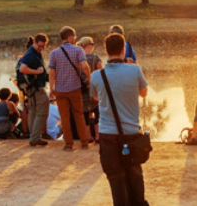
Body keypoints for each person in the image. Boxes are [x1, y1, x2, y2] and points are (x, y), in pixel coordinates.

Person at [90, 32, 149, 206]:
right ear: (124, 49)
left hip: (108, 134)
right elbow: (143, 92)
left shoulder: (96, 75)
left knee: (116, 177)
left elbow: (94, 98)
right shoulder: (134, 69)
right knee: (134, 173)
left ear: (106, 51)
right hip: (131, 132)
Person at [49, 26, 91, 151]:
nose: (75, 38)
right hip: (75, 88)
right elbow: (85, 66)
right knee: (79, 115)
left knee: (65, 117)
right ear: (70, 37)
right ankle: (84, 142)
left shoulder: (54, 53)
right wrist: (89, 78)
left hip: (60, 90)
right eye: (74, 36)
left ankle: (68, 144)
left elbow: (52, 73)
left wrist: (51, 88)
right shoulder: (78, 50)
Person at [19, 33, 51, 147]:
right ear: (34, 43)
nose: (41, 48)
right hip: (36, 87)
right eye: (39, 46)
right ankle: (35, 137)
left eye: (43, 46)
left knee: (33, 111)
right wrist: (37, 72)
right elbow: (23, 69)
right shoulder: (31, 54)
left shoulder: (34, 52)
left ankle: (33, 136)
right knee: (43, 110)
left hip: (31, 88)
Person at [77, 36, 103, 143]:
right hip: (95, 90)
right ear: (88, 45)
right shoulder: (96, 58)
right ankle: (97, 136)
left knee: (85, 113)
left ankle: (87, 136)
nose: (93, 46)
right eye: (92, 44)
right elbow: (102, 73)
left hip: (82, 89)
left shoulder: (77, 59)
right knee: (97, 112)